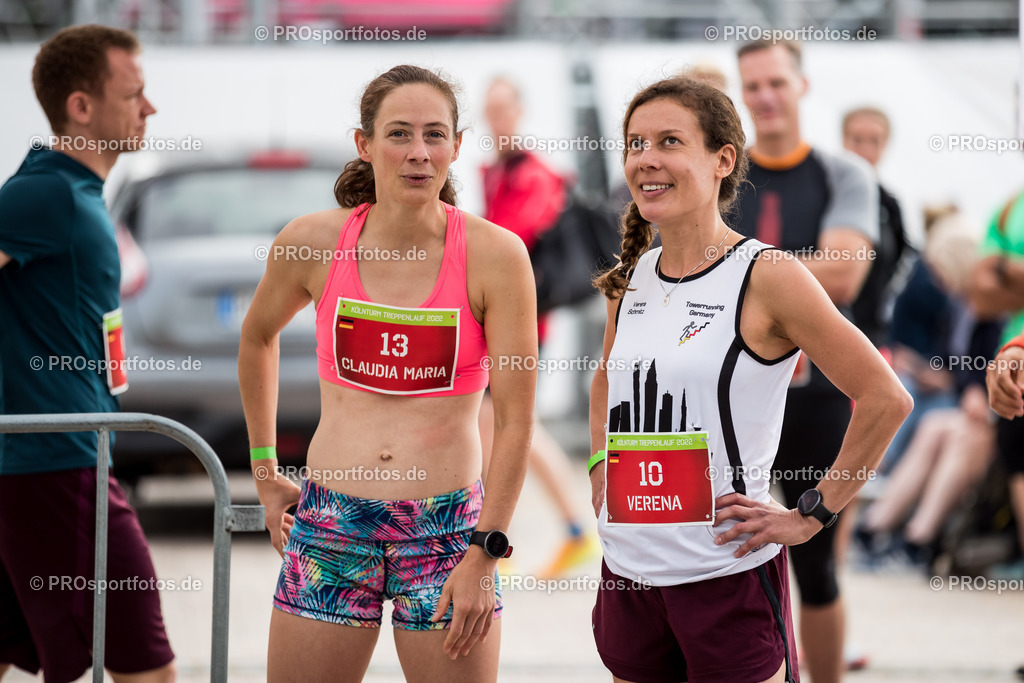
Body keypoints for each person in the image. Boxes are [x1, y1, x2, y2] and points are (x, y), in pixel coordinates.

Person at [587, 76, 911, 683]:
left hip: (724, 574)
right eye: (635, 143)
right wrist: (600, 464)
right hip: (627, 571)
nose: (646, 159)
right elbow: (606, 377)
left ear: (722, 160)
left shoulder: (769, 275)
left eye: (669, 141)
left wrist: (813, 514)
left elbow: (885, 398)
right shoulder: (631, 277)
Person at [238, 65, 535, 682]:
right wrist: (265, 475)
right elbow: (257, 336)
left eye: (435, 134)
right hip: (330, 526)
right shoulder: (312, 242)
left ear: (457, 145)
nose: (418, 153)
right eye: (399, 134)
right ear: (364, 144)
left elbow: (515, 419)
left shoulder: (496, 255)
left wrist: (487, 549)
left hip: (448, 533)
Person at [0, 25, 175, 683]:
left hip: (44, 457)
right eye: (134, 94)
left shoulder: (69, 191)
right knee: (144, 670)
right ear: (80, 107)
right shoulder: (45, 193)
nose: (149, 108)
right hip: (55, 462)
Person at [733, 39, 880, 683]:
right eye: (752, 86)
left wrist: (746, 283)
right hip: (731, 390)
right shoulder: (723, 173)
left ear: (801, 85)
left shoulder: (842, 173)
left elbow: (845, 274)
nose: (765, 96)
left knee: (814, 560)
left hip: (814, 393)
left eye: (776, 83)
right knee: (718, 548)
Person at [478, 76, 598, 578]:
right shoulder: (497, 172)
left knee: (507, 424)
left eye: (504, 109)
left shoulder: (533, 174)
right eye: (490, 110)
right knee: (496, 424)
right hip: (499, 319)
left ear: (520, 112)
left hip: (525, 324)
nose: (497, 119)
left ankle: (554, 533)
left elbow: (508, 241)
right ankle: (499, 540)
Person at [857, 213, 1002, 568]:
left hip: (997, 409)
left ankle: (916, 537)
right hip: (974, 404)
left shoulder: (993, 310)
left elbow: (986, 363)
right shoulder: (962, 309)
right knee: (934, 425)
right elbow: (963, 364)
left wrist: (974, 391)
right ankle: (879, 526)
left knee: (954, 431)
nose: (936, 278)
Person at [841, 106, 913, 349]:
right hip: (828, 328)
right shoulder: (826, 195)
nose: (865, 149)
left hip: (873, 333)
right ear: (843, 141)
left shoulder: (890, 204)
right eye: (857, 140)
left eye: (875, 141)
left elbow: (904, 256)